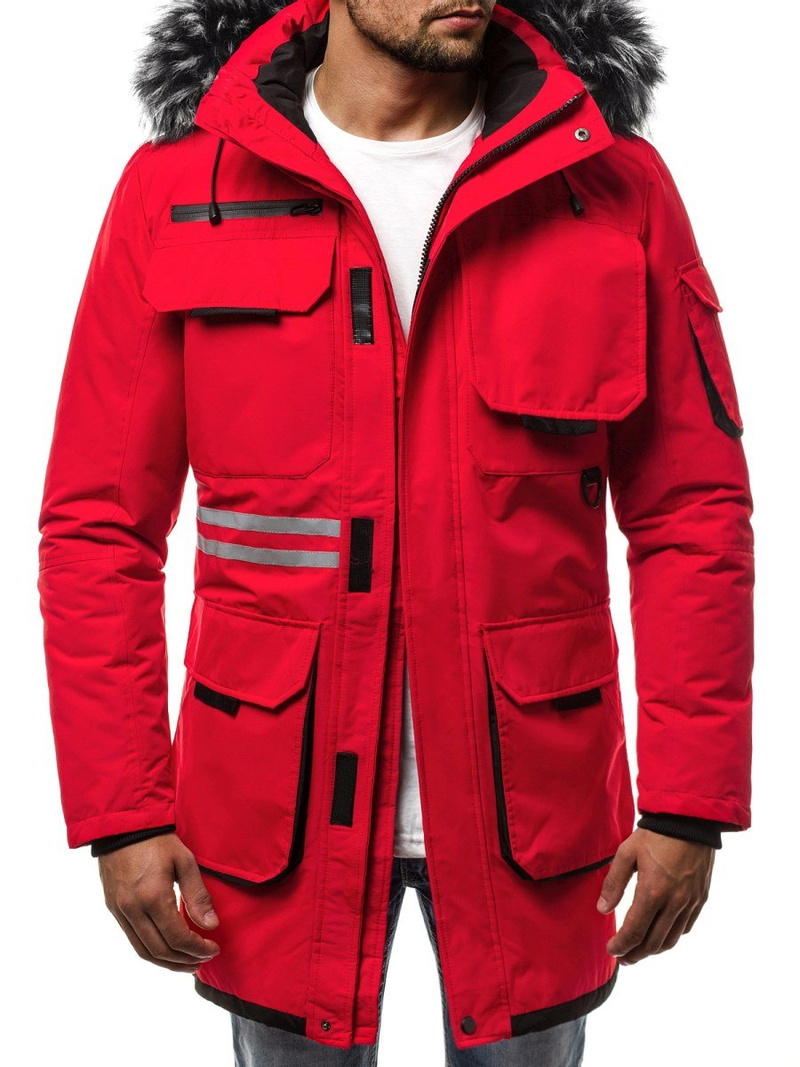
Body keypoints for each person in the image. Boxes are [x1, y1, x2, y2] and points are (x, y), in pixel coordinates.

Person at [38, 1, 754, 1064]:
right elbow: (98, 525)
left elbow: (690, 511)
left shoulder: (607, 185)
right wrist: (124, 809)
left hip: (539, 807)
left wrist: (692, 802)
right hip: (269, 809)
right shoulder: (183, 188)